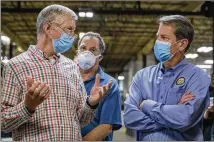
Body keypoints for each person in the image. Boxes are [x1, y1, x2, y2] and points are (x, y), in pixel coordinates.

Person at [1, 5, 112, 141]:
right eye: (69, 29)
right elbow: (3, 122)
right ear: (48, 28)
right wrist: (27, 107)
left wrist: (91, 103)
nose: (72, 36)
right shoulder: (15, 66)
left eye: (73, 31)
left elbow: (80, 120)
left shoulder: (71, 67)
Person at [124, 15, 210, 141]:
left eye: (164, 37)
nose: (157, 42)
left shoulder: (197, 77)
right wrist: (172, 114)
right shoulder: (142, 76)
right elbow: (130, 118)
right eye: (158, 36)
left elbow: (185, 118)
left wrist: (146, 105)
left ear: (182, 44)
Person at [74, 32, 122, 141]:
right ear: (77, 53)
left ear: (99, 57)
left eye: (93, 50)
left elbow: (107, 126)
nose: (87, 53)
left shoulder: (109, 84)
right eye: (83, 48)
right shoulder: (67, 79)